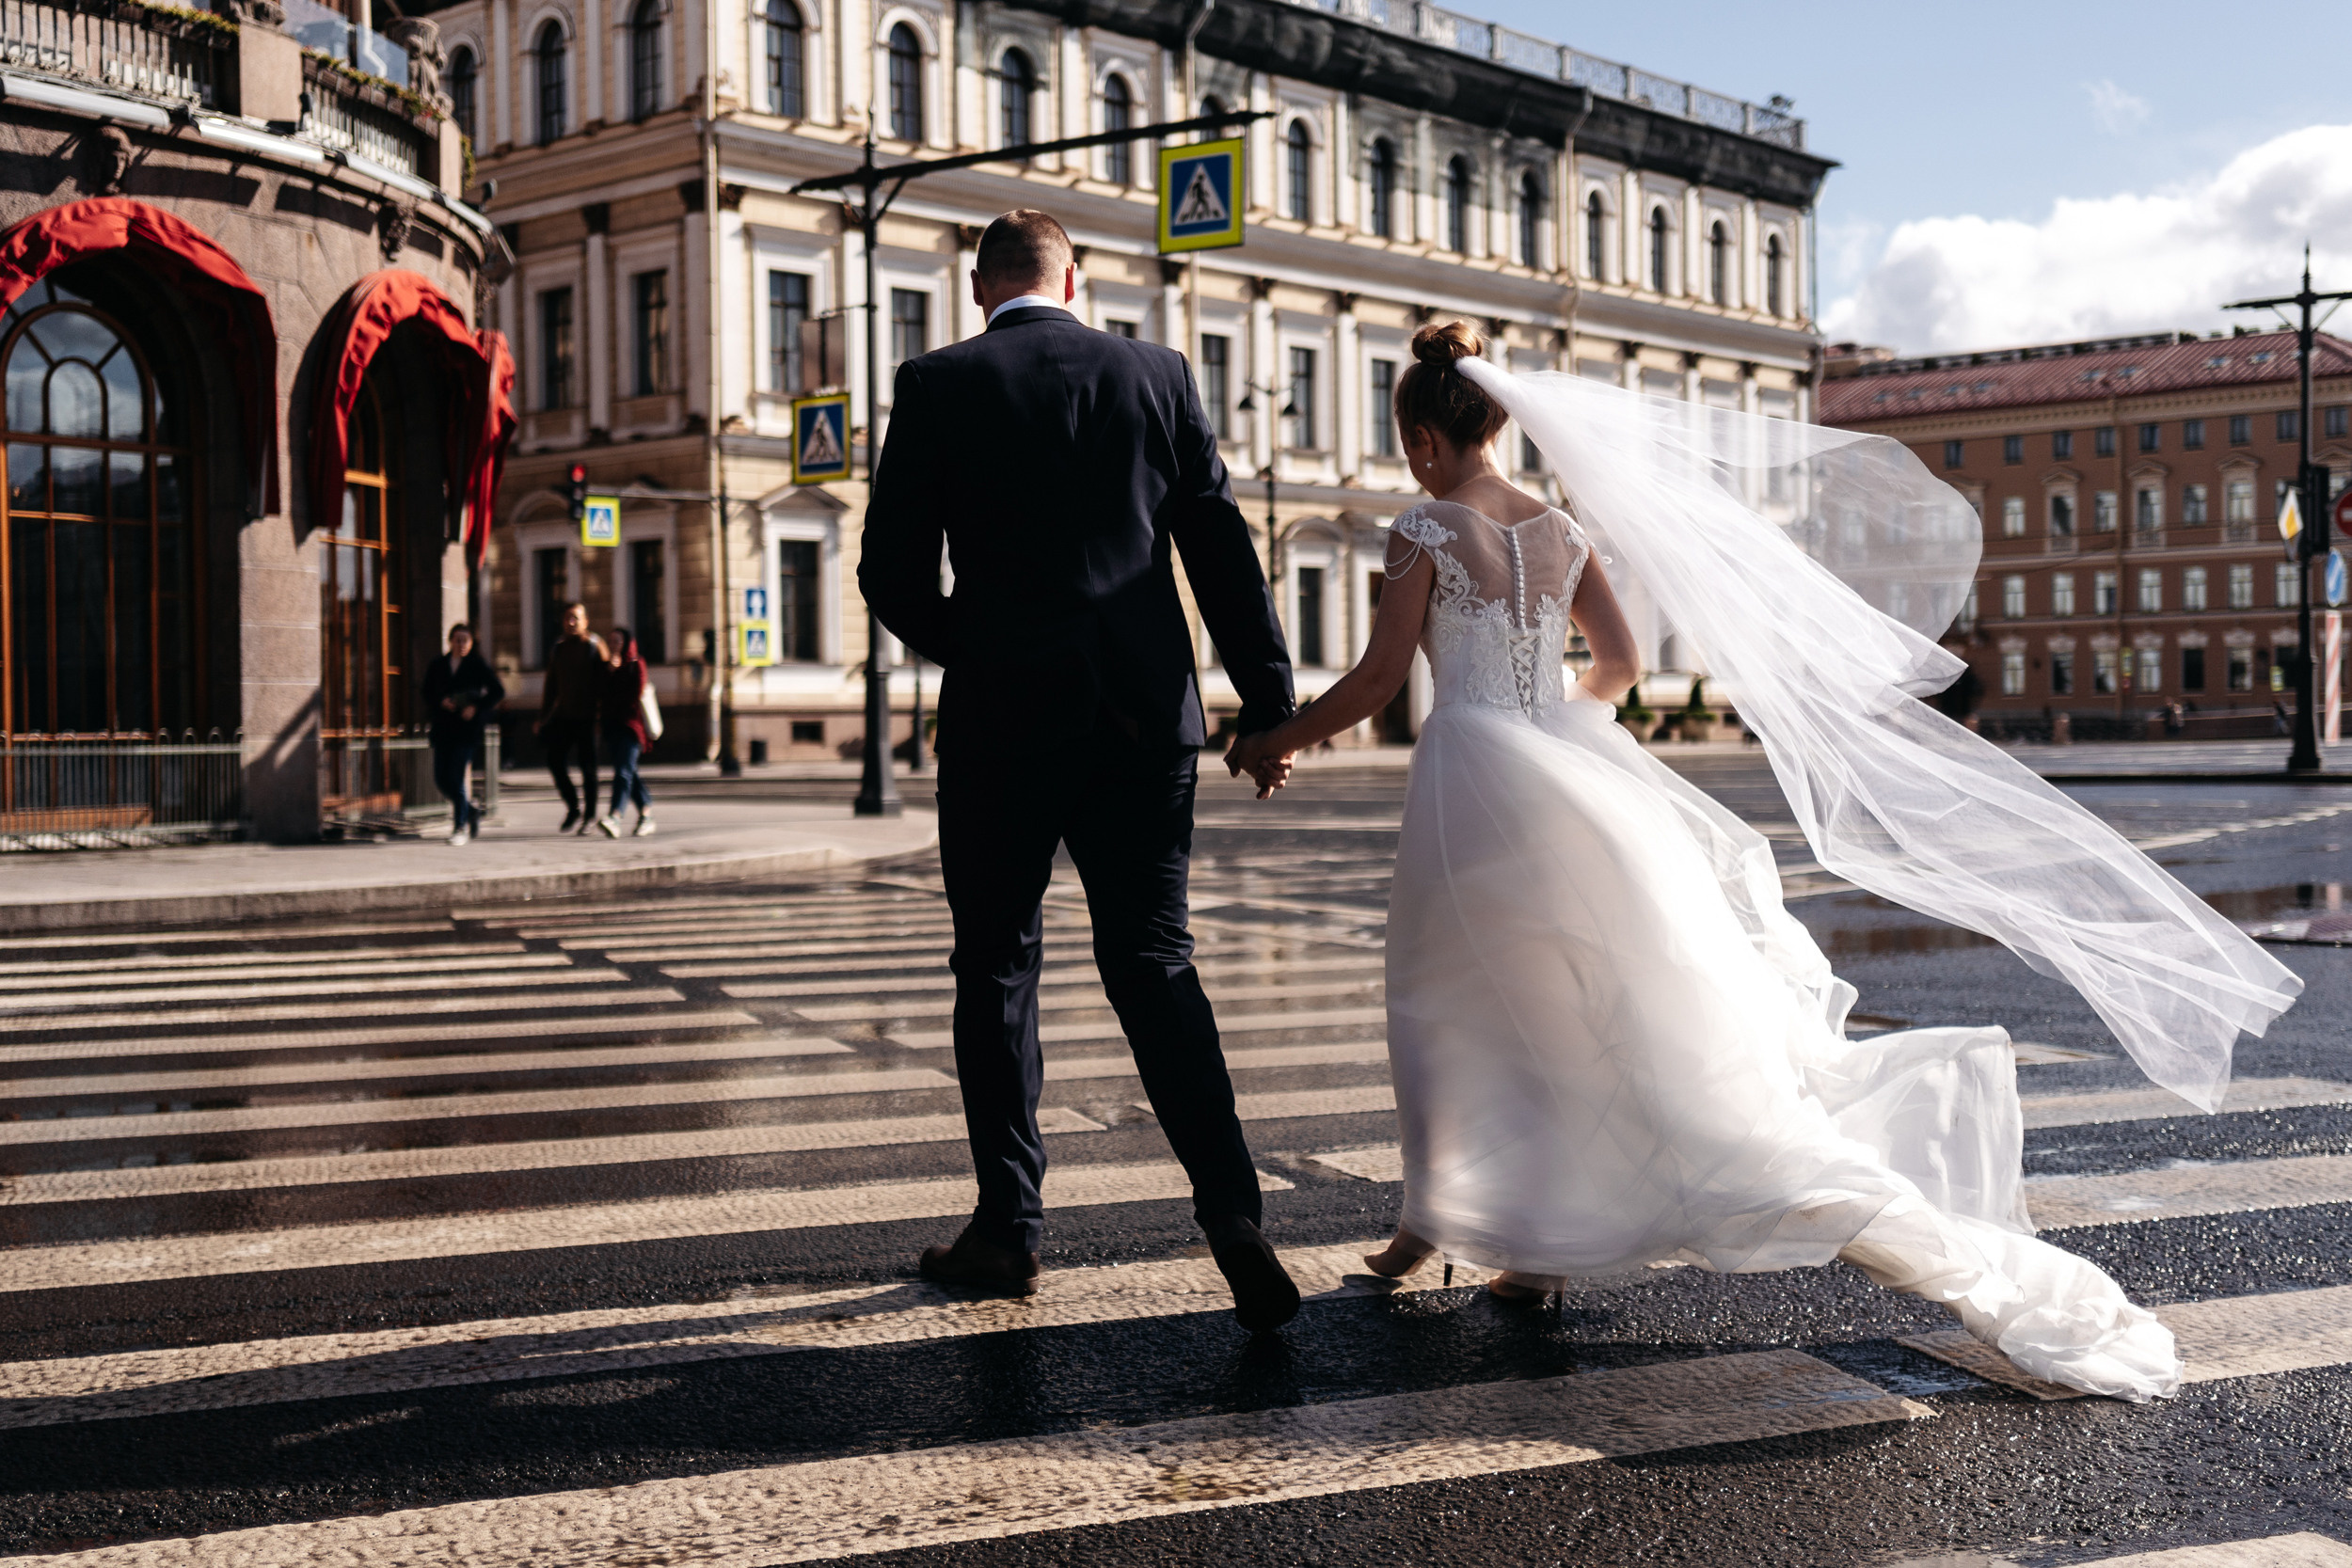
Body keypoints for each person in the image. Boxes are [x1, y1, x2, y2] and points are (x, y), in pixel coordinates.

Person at [1227, 322, 2301, 1400]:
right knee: (1574, 1008)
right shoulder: (1559, 529)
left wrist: (1273, 738)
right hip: (1562, 778)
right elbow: (1621, 664)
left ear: (1419, 437)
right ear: (1498, 417)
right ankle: (1526, 1249)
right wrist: (1552, 728)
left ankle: (1431, 1225)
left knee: (1448, 1003)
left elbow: (1375, 682)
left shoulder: (1421, 527)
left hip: (1469, 778)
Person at [860, 208, 1302, 1331]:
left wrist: (990, 645)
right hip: (1143, 719)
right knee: (1156, 960)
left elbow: (888, 574)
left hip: (1003, 723)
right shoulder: (1155, 374)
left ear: (979, 290)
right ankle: (1233, 1210)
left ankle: (1007, 1230)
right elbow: (1217, 541)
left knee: (997, 964)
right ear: (1077, 279)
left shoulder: (936, 381)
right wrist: (1267, 699)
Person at [421, 623, 503, 847]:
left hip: (466, 731)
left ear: (471, 642)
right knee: (441, 778)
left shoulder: (477, 665)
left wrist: (476, 707)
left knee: (457, 778)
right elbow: (426, 690)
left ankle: (460, 827)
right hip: (443, 728)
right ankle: (472, 810)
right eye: (458, 640)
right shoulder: (438, 664)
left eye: (466, 640)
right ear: (451, 641)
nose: (462, 644)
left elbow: (498, 691)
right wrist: (441, 701)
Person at [537, 601, 605, 833]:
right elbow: (551, 686)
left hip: (589, 718)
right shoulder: (558, 648)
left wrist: (601, 717)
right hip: (565, 717)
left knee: (588, 769)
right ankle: (574, 807)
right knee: (555, 762)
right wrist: (543, 717)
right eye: (568, 618)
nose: (571, 622)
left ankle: (590, 816)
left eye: (576, 618)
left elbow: (607, 682)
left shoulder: (595, 646)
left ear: (586, 621)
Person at [597, 626, 656, 838]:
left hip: (632, 728)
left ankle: (615, 816)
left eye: (617, 641)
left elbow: (636, 692)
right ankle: (646, 813)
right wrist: (609, 673)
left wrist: (619, 672)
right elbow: (600, 694)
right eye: (610, 641)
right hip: (612, 728)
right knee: (628, 772)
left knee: (623, 772)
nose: (613, 646)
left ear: (627, 643)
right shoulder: (606, 668)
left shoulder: (636, 663)